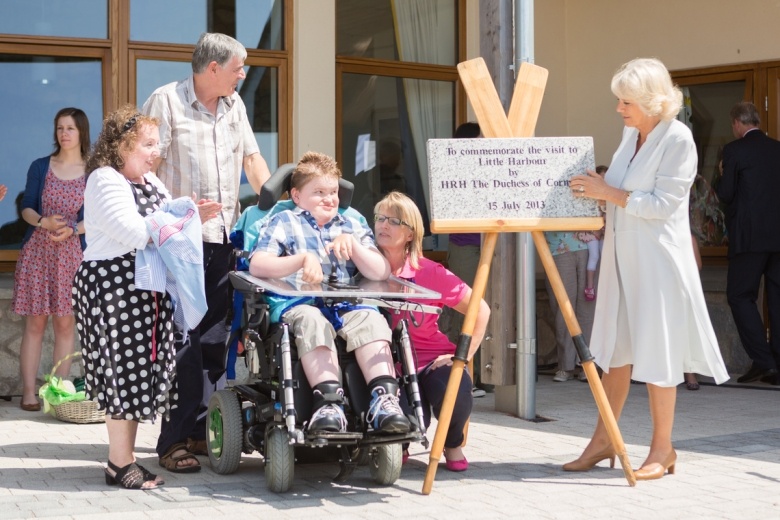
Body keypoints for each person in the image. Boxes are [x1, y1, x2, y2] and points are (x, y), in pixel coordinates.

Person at [566, 57, 728, 480]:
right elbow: (620, 193)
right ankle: (603, 442)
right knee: (615, 356)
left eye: (626, 101)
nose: (619, 109)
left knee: (658, 356)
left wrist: (610, 192)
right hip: (622, 262)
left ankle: (663, 449)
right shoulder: (630, 134)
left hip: (658, 264)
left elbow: (662, 205)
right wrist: (594, 194)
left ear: (653, 101)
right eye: (619, 101)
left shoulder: (679, 139)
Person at [142, 32, 272, 471]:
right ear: (212, 68)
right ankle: (172, 441)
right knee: (185, 345)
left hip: (222, 240)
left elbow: (252, 161)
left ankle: (201, 431)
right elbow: (144, 169)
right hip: (180, 243)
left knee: (216, 342)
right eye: (239, 67)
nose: (244, 74)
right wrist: (179, 211)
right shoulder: (166, 101)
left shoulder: (235, 105)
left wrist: (274, 210)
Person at [249, 151, 410, 435]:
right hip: (299, 302)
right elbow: (258, 264)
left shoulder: (352, 224)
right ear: (297, 196)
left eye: (333, 192)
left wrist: (356, 247)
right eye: (319, 192)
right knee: (313, 321)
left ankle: (385, 400)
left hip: (347, 304)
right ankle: (329, 403)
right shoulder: (284, 221)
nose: (329, 199)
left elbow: (380, 272)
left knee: (372, 320)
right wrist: (300, 260)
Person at [73, 106, 177, 490]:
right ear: (122, 145)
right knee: (122, 373)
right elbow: (135, 233)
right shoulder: (104, 179)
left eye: (157, 143)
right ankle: (118, 464)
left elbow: (171, 218)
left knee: (137, 374)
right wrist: (174, 222)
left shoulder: (150, 181)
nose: (156, 151)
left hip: (142, 288)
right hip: (113, 287)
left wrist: (184, 215)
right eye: (148, 144)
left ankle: (125, 460)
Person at [373, 191, 490, 471]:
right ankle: (400, 444)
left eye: (394, 221)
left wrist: (461, 356)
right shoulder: (361, 269)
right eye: (379, 218)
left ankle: (452, 444)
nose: (383, 225)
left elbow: (480, 310)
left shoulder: (429, 271)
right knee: (410, 419)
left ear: (411, 234)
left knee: (455, 386)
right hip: (387, 362)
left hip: (429, 358)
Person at [12, 107, 90, 412]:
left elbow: (97, 217)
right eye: (60, 128)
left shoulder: (94, 171)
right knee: (34, 324)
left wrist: (72, 229)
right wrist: (43, 222)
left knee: (65, 325)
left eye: (70, 128)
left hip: (73, 255)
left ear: (82, 132)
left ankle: (58, 396)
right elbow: (27, 207)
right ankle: (29, 394)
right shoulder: (40, 166)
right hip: (38, 253)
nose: (64, 134)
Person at [717, 101, 780, 386]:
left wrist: (720, 174)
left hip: (749, 237)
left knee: (740, 296)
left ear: (737, 123)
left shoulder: (734, 150)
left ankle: (765, 362)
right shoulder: (778, 148)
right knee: (777, 299)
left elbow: (727, 193)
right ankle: (773, 363)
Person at [445, 122, 490, 397]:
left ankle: (482, 373)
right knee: (462, 307)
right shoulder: (453, 170)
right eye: (479, 139)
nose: (483, 144)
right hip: (465, 246)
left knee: (484, 309)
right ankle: (458, 373)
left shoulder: (488, 167)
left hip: (489, 246)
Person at [543, 232, 597, 382]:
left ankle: (587, 364)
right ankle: (565, 365)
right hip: (558, 247)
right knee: (563, 308)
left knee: (588, 309)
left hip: (590, 245)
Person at [576, 164, 608, 302]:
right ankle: (590, 286)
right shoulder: (589, 199)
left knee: (606, 257)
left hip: (605, 233)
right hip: (592, 233)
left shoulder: (610, 197)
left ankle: (605, 286)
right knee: (594, 256)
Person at [684, 233, 704, 391]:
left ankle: (689, 372)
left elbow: (697, 266)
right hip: (659, 290)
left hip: (683, 289)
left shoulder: (688, 237)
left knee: (686, 328)